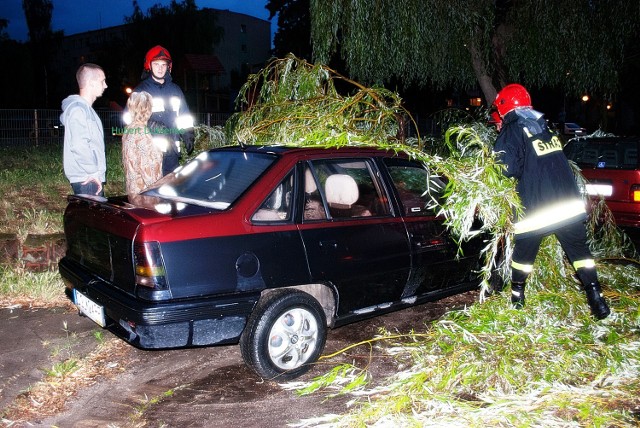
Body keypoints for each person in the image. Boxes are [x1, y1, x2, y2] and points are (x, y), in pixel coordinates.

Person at [492, 83, 610, 320]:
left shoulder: (513, 128)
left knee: (523, 256)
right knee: (580, 254)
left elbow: (505, 169)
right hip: (568, 204)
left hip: (538, 208)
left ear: (504, 107)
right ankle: (596, 298)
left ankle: (517, 299)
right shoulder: (544, 128)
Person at [124, 45, 194, 176]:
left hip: (172, 153)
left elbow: (184, 116)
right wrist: (151, 125)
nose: (160, 68)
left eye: (163, 64)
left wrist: (188, 134)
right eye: (156, 64)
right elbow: (128, 119)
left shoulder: (176, 90)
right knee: (153, 192)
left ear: (169, 66)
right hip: (150, 153)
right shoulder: (140, 91)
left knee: (171, 190)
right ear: (149, 66)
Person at [60, 63, 108, 196]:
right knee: (92, 217)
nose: (105, 85)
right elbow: (79, 145)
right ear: (91, 83)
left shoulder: (85, 109)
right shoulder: (78, 110)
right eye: (102, 81)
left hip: (89, 178)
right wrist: (93, 172)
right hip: (87, 179)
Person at [122, 91, 163, 197]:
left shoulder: (129, 129)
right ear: (147, 109)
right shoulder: (141, 134)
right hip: (145, 195)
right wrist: (158, 193)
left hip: (133, 190)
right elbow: (147, 171)